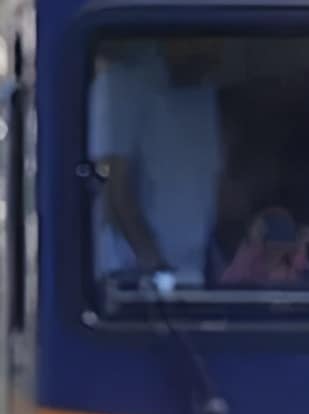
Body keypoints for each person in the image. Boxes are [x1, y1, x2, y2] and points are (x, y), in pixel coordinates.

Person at [89, 38, 225, 285]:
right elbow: (113, 188)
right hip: (139, 280)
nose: (216, 49)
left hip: (193, 275)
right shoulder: (122, 84)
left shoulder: (203, 93)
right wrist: (156, 270)